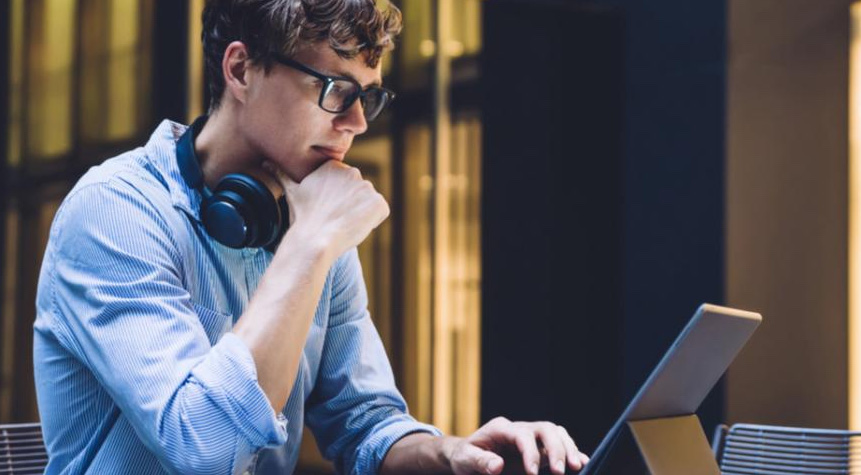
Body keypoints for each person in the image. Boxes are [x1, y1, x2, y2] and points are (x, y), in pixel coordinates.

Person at [33, 1, 589, 474]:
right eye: (334, 89)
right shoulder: (115, 213)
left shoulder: (306, 214)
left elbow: (363, 422)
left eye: (367, 96)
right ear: (241, 69)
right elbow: (203, 447)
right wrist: (310, 244)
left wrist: (451, 452)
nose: (358, 123)